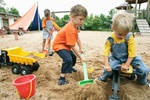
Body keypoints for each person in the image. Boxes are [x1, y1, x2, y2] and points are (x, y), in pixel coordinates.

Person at [95, 12, 150, 87]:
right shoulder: (110, 39)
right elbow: (106, 53)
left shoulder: (130, 37)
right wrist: (107, 65)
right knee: (108, 70)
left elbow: (132, 53)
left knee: (145, 70)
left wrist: (127, 64)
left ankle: (142, 81)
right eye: (120, 34)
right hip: (116, 58)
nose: (123, 37)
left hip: (130, 58)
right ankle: (102, 78)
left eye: (125, 34)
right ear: (113, 28)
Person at [52, 4, 88, 85]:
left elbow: (77, 38)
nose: (82, 22)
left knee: (73, 58)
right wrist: (81, 58)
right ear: (72, 17)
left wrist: (81, 48)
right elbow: (72, 46)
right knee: (68, 60)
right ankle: (61, 78)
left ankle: (69, 68)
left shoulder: (74, 26)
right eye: (80, 19)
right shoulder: (70, 29)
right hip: (58, 45)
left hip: (65, 45)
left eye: (83, 20)